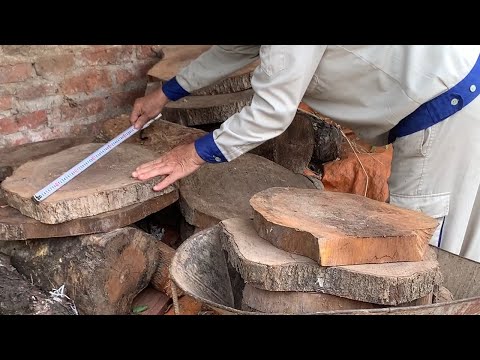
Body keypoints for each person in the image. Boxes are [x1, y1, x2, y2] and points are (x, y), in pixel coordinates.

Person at [130, 45, 480, 263]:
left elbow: (271, 112)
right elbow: (233, 50)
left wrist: (191, 154)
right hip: (458, 85)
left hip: (445, 117)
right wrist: (164, 94)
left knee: (426, 255)